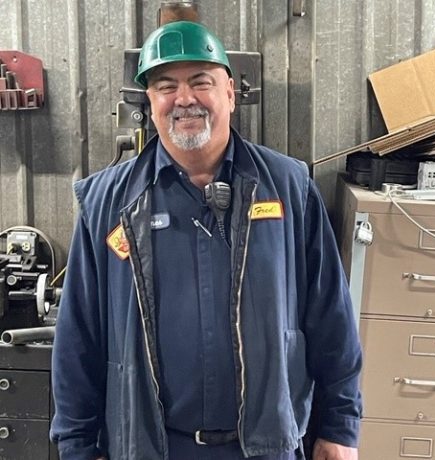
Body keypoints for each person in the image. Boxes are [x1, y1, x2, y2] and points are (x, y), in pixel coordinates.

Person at [50, 20, 362, 460]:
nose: (184, 99)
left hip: (265, 446)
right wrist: (78, 446)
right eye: (165, 86)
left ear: (230, 93)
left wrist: (340, 426)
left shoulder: (289, 188)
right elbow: (78, 337)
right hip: (151, 448)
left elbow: (331, 315)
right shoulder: (107, 203)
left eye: (201, 82)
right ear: (151, 101)